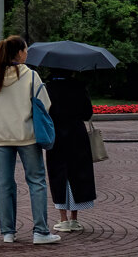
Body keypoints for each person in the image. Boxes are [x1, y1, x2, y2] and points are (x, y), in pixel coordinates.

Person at [0, 35, 60, 245]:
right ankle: (40, 231)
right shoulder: (31, 76)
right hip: (27, 137)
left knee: (5, 184)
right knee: (36, 182)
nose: (27, 53)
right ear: (18, 53)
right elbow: (45, 105)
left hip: (1, 137)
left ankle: (8, 232)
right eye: (25, 49)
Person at [45, 68, 96, 232]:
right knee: (78, 173)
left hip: (56, 134)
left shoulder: (48, 88)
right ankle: (74, 218)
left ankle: (63, 219)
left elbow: (44, 111)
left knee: (58, 174)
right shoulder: (79, 86)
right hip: (77, 134)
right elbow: (87, 113)